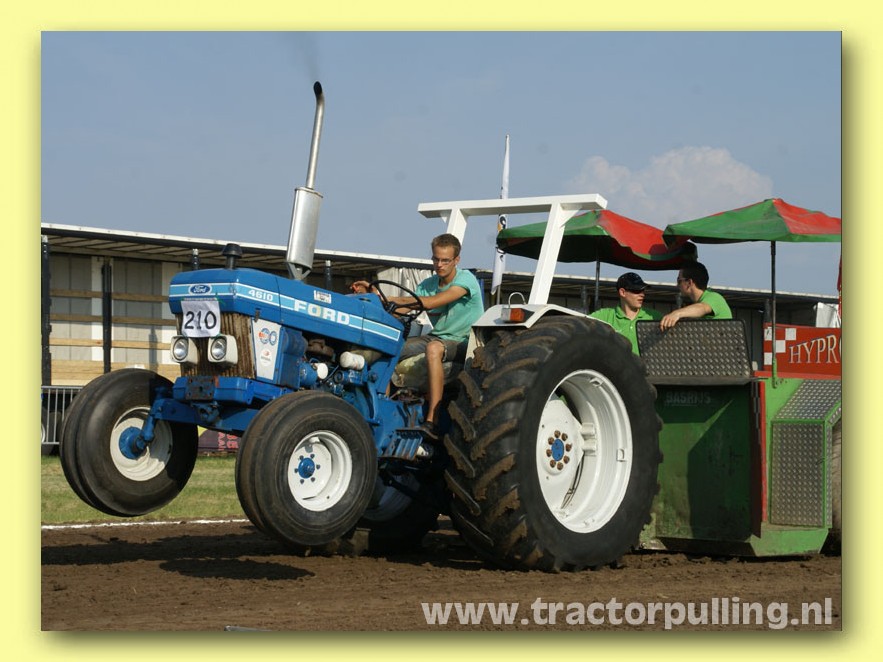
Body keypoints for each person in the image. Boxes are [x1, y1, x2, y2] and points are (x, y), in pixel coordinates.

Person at [352, 233, 484, 441]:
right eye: (436, 259)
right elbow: (401, 310)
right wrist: (373, 298)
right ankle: (382, 409)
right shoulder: (427, 285)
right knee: (389, 345)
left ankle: (432, 419)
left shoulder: (466, 279)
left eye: (445, 260)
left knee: (434, 349)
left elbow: (431, 303)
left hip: (464, 343)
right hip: (436, 337)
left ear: (456, 260)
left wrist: (387, 297)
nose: (439, 265)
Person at [589, 272, 662, 354]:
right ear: (622, 292)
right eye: (637, 290)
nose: (642, 294)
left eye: (643, 290)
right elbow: (581, 323)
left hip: (646, 363)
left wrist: (675, 314)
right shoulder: (604, 316)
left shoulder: (655, 316)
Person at [659, 261, 732, 330]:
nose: (677, 285)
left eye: (679, 280)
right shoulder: (699, 304)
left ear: (689, 282)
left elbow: (703, 308)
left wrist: (676, 313)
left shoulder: (714, 297)